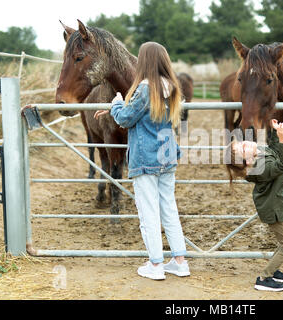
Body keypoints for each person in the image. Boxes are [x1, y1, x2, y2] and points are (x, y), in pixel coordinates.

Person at [94, 42, 189, 280]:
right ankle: (179, 261)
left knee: (148, 212)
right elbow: (148, 113)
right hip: (167, 155)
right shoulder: (172, 87)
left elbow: (125, 119)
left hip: (147, 157)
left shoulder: (145, 88)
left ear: (144, 61)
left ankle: (155, 265)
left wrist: (116, 103)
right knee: (169, 209)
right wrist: (119, 107)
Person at [226, 119, 283, 292]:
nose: (245, 143)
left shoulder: (259, 154)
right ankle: (264, 277)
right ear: (248, 162)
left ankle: (274, 269)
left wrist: (273, 132)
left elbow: (273, 150)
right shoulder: (261, 168)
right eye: (243, 149)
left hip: (277, 204)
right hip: (273, 209)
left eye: (241, 142)